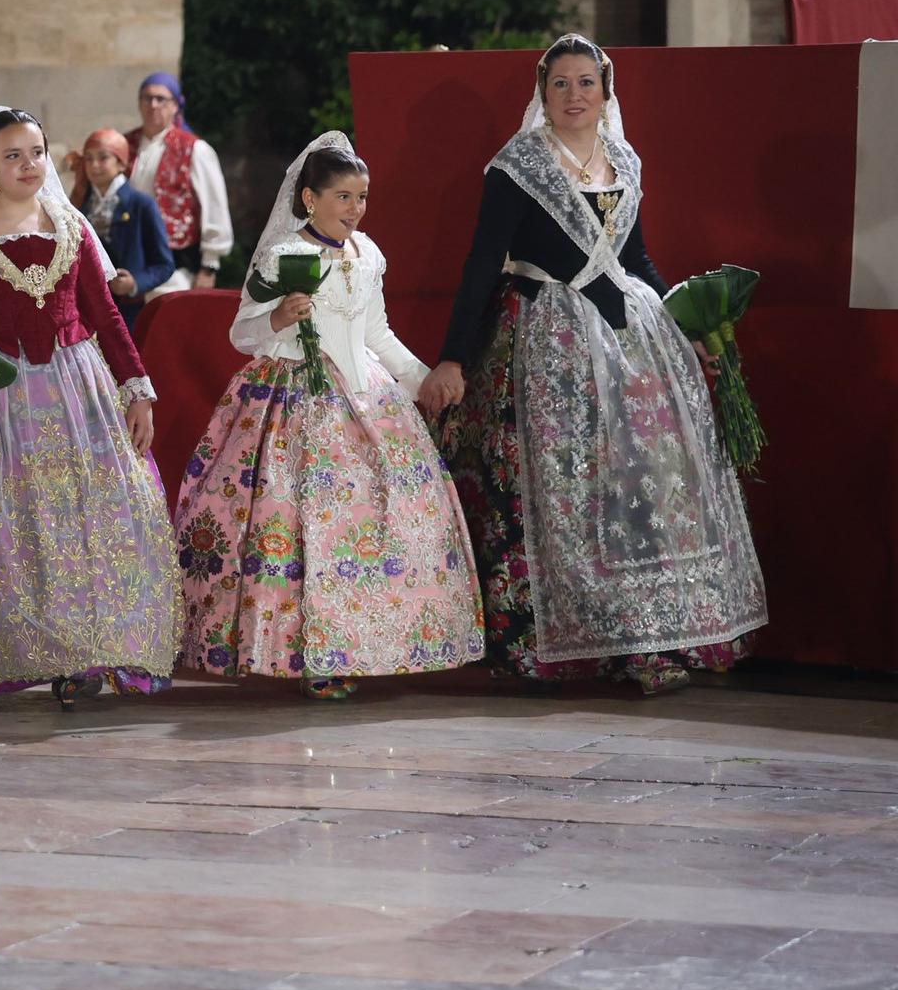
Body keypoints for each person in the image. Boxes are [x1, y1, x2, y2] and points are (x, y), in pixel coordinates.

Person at [417, 35, 767, 695]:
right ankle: (566, 646)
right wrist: (453, 357)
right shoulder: (517, 166)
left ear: (606, 91)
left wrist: (680, 325)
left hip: (629, 341)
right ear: (541, 92)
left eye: (586, 83)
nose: (574, 95)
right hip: (546, 341)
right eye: (561, 84)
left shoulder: (624, 162)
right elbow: (480, 264)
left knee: (642, 488)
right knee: (563, 490)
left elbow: (635, 261)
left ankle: (653, 637)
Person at [173, 133, 484, 699]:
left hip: (365, 398)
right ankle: (309, 655)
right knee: (297, 528)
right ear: (310, 198)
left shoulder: (368, 255)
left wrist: (422, 381)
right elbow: (241, 332)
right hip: (291, 399)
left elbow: (377, 335)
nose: (355, 208)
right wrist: (279, 319)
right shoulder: (281, 256)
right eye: (343, 196)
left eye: (362, 196)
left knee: (368, 524)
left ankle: (371, 643)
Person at [0, 105, 180, 710]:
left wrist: (137, 388)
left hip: (76, 394)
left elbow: (105, 315)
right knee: (7, 523)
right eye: (13, 155)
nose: (29, 165)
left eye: (37, 153)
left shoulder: (71, 224)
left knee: (92, 515)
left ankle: (86, 653)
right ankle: (5, 654)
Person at [125, 72, 233, 297]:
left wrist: (209, 265)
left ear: (175, 106)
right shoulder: (125, 144)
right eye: (147, 98)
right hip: (129, 257)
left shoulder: (194, 149)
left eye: (160, 99)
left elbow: (215, 206)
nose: (153, 105)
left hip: (175, 262)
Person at [69, 127, 175, 328]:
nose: (94, 165)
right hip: (88, 310)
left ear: (121, 163)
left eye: (103, 158)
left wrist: (134, 283)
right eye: (89, 159)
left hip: (128, 314)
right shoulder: (80, 203)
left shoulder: (141, 204)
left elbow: (164, 264)